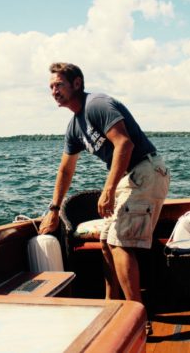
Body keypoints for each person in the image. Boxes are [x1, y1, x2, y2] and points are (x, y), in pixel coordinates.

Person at [39, 62, 170, 305]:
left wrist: (108, 190)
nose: (54, 91)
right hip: (128, 178)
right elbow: (66, 169)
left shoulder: (96, 105)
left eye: (59, 84)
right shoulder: (74, 126)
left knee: (118, 243)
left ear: (77, 83)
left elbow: (125, 144)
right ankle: (112, 307)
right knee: (107, 244)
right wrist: (54, 209)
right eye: (51, 87)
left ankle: (135, 316)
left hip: (145, 170)